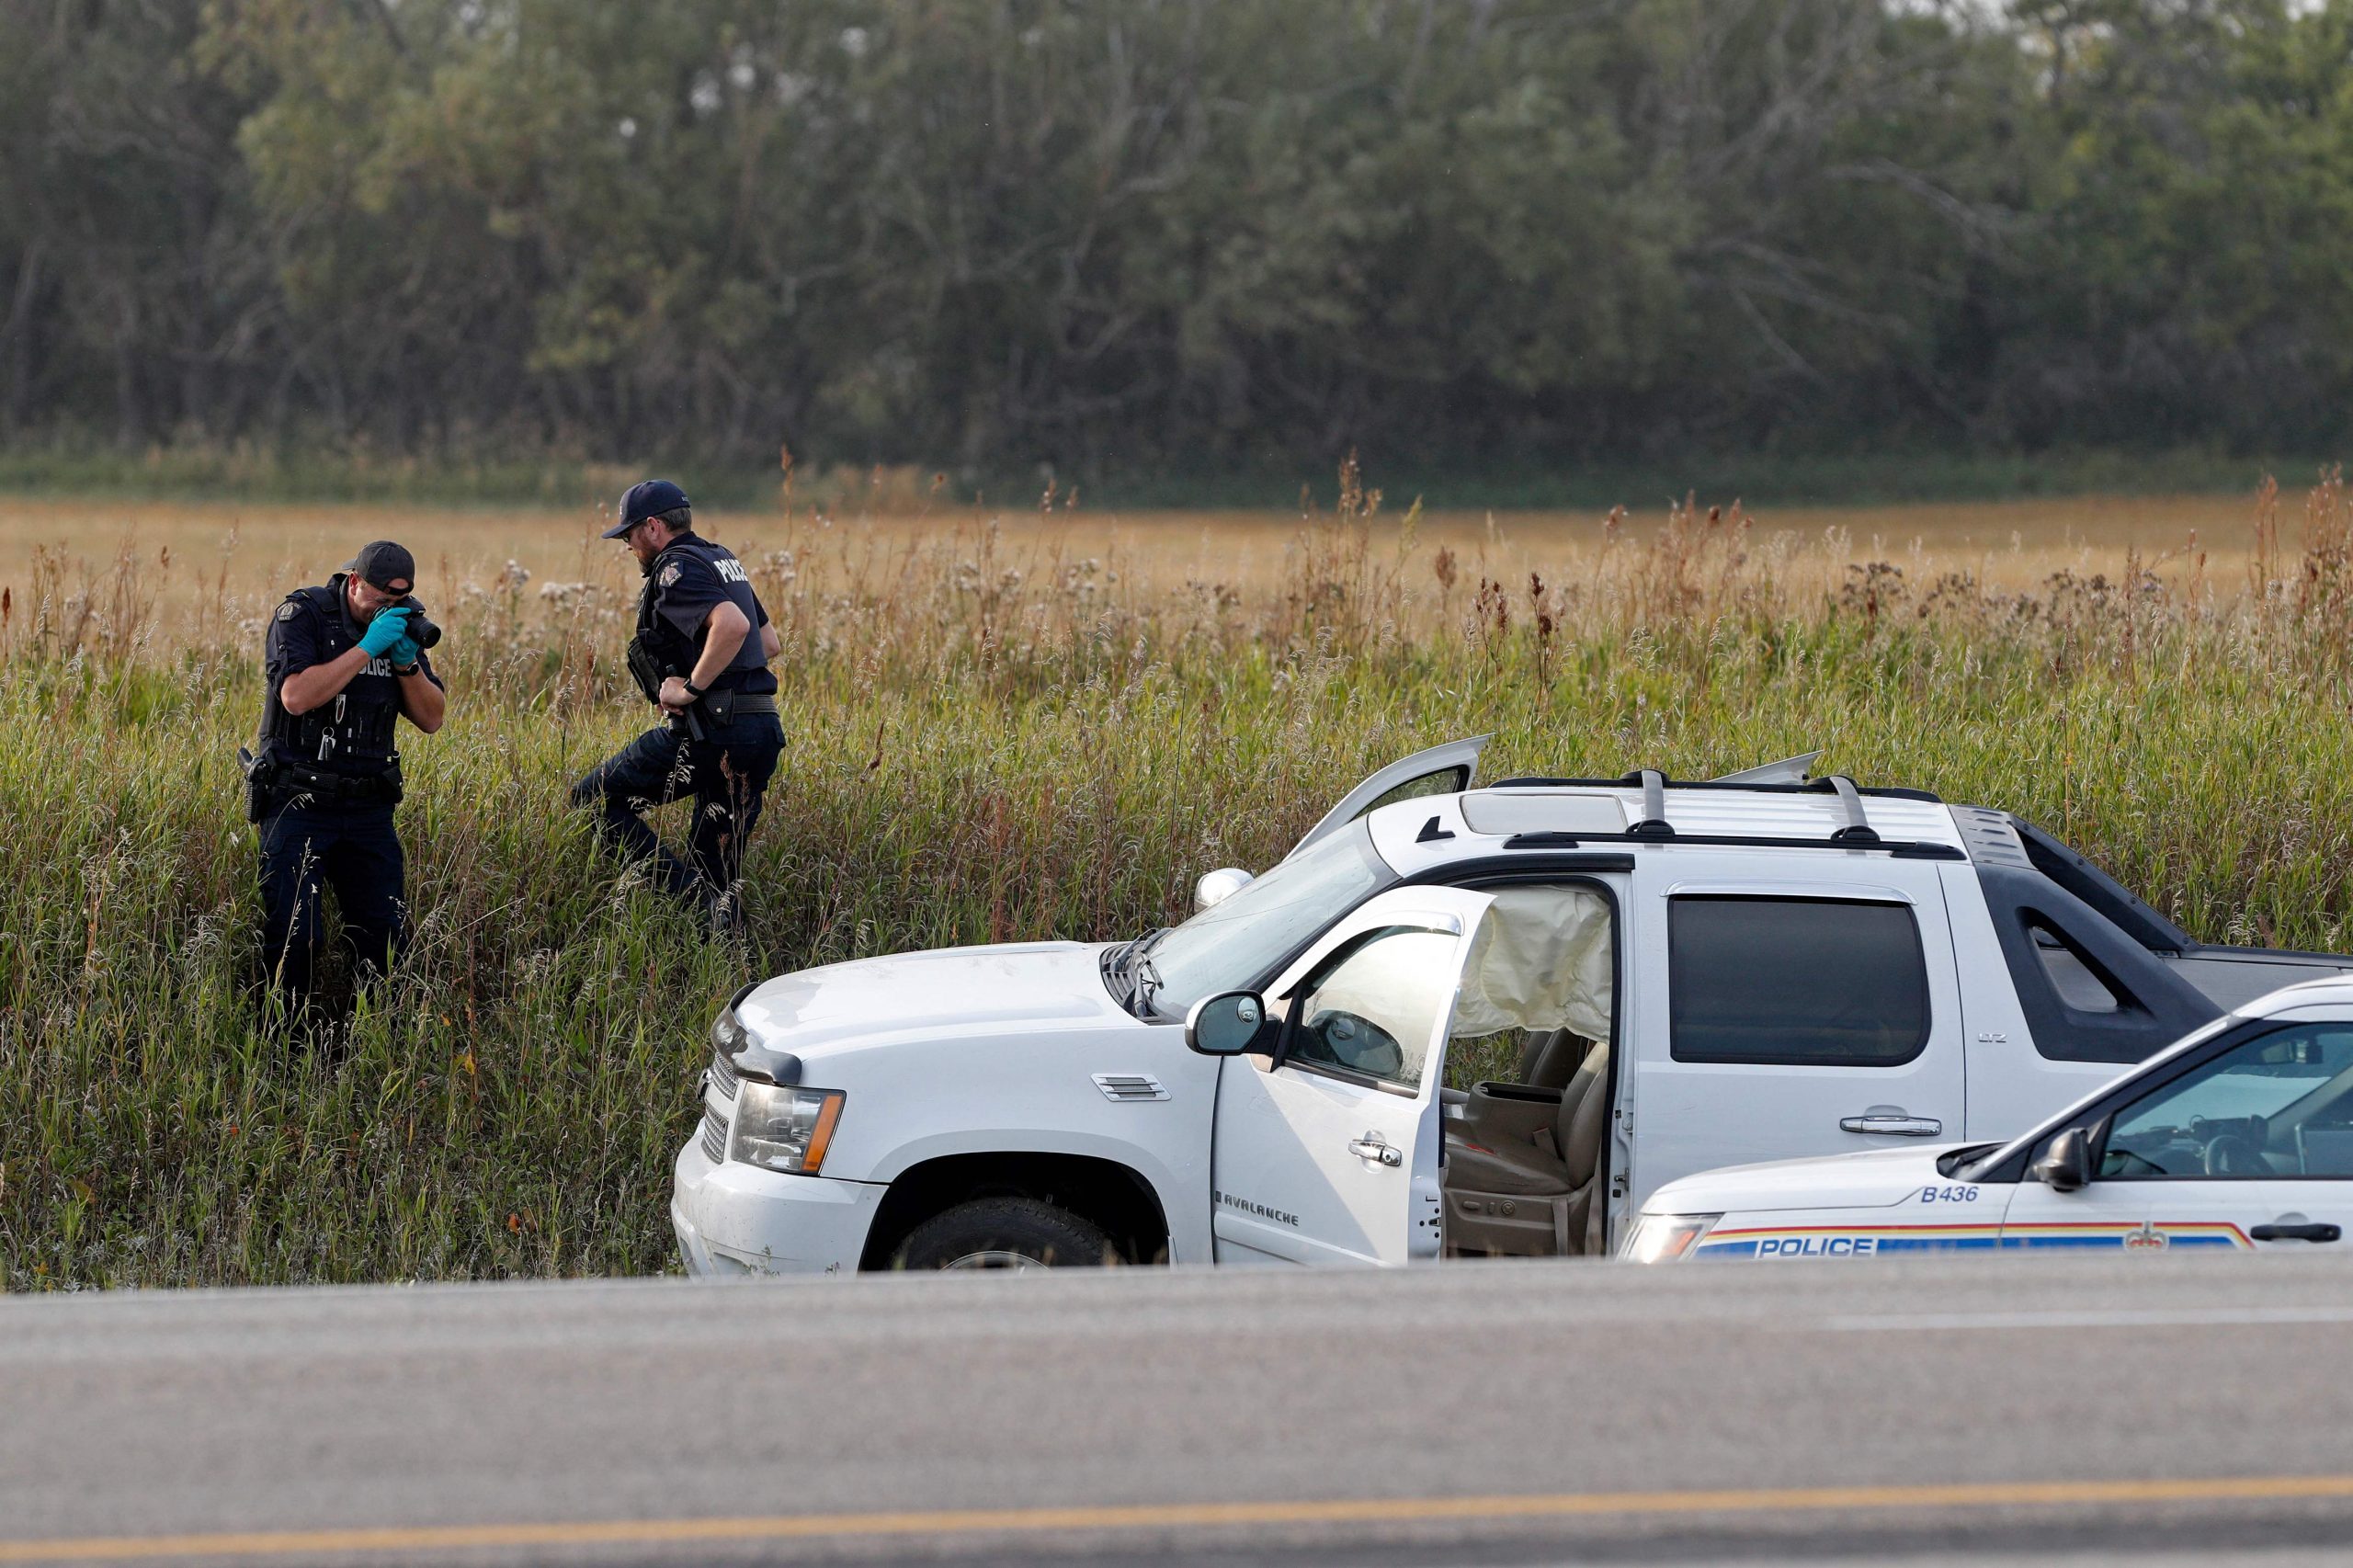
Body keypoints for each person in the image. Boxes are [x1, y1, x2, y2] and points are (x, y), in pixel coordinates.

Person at [246, 540, 447, 1014]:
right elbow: (296, 696)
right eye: (379, 598)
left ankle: (374, 1052)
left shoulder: (403, 627)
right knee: (296, 935)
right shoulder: (304, 615)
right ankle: (281, 1053)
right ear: (354, 583)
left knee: (385, 938)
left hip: (368, 806)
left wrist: (403, 662)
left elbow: (433, 717)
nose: (387, 609)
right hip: (298, 801)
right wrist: (366, 648)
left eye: (398, 601)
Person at [572, 480, 784, 926]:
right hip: (760, 732)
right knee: (718, 874)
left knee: (591, 799)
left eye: (629, 535)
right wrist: (717, 671)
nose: (627, 546)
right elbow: (769, 642)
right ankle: (728, 958)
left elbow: (732, 625)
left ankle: (693, 901)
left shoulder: (675, 568)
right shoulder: (722, 559)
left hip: (713, 733)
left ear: (653, 527)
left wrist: (689, 687)